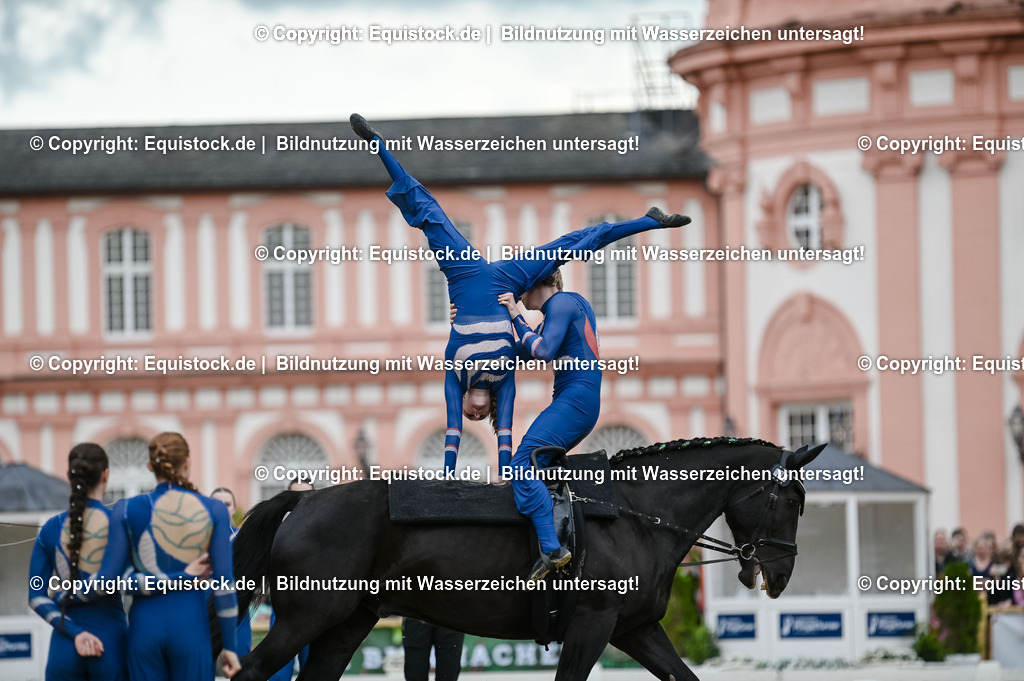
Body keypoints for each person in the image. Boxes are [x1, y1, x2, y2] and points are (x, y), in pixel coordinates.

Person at [351, 113, 689, 475]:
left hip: (465, 279)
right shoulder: (505, 369)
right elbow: (515, 406)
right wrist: (510, 316)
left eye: (471, 412)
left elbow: (453, 426)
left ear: (463, 400)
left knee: (431, 217)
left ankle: (376, 145)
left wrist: (458, 317)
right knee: (569, 246)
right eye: (480, 415)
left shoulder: (456, 375)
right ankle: (651, 221)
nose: (475, 413)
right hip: (505, 284)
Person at [103, 433, 241, 680]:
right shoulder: (214, 510)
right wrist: (229, 646)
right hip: (191, 628)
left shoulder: (125, 509)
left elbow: (112, 582)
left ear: (149, 466)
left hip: (143, 628)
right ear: (187, 463)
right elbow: (224, 586)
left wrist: (171, 578)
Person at [498, 270, 604, 582]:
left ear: (539, 281)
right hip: (578, 401)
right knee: (535, 465)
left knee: (522, 464)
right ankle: (556, 537)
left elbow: (541, 351)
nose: (518, 295)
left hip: (576, 402)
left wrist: (516, 315)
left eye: (521, 288)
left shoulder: (562, 303)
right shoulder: (564, 307)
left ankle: (553, 549)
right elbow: (523, 352)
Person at [28, 443, 129, 681]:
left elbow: (35, 597)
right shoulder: (121, 523)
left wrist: (74, 629)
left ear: (69, 476)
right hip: (110, 642)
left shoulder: (50, 529)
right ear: (106, 474)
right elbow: (133, 581)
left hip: (63, 645)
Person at [211, 487, 252, 657]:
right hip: (205, 611)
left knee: (240, 665)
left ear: (234, 509)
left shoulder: (245, 539)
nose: (222, 507)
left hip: (238, 610)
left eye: (227, 504)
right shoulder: (196, 540)